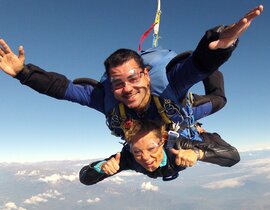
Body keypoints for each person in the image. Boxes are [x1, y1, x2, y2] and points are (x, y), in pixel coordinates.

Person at [0, 5, 263, 140]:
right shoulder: (106, 99)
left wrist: (219, 44)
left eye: (133, 78)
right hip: (161, 118)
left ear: (146, 74)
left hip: (179, 106)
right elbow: (62, 88)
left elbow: (201, 63)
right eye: (117, 83)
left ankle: (198, 71)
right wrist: (23, 72)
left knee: (218, 98)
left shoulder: (169, 83)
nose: (127, 88)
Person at [79, 120, 240, 185]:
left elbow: (233, 157)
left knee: (219, 102)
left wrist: (197, 153)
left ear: (162, 142)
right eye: (137, 152)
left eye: (151, 149)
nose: (146, 158)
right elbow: (85, 178)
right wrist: (101, 167)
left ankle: (201, 130)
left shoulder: (178, 145)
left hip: (193, 137)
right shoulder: (127, 157)